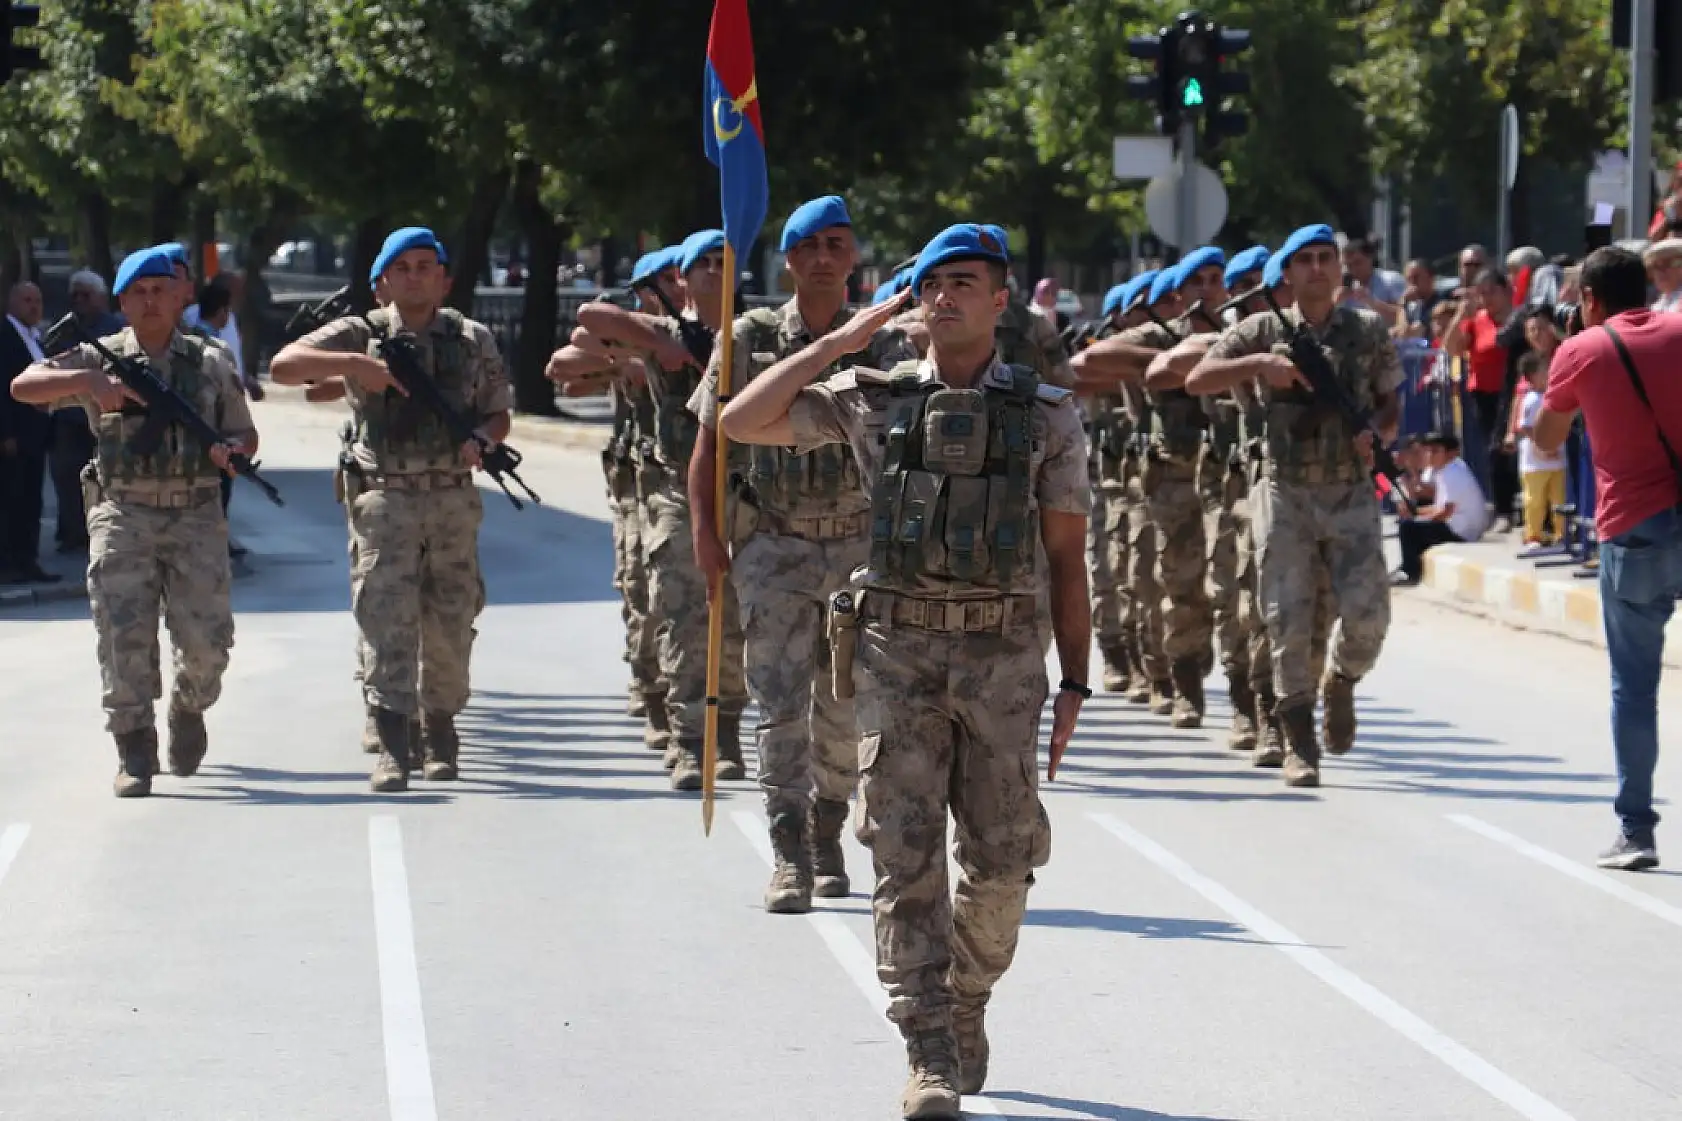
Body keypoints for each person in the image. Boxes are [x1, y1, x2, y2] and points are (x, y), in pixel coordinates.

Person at [722, 223, 1091, 1119]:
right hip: (896, 656)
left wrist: (1075, 680)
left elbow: (1069, 557)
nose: (947, 296)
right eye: (932, 283)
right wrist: (838, 341)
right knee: (904, 855)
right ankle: (926, 1042)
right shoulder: (868, 395)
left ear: (1002, 301)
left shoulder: (1046, 415)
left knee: (1004, 862)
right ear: (913, 302)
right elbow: (739, 419)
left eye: (966, 282)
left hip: (1004, 663)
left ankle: (965, 997)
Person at [688, 196, 916, 912]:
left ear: (853, 257)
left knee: (847, 703)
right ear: (787, 260)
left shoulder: (887, 344)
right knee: (780, 702)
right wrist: (705, 532)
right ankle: (787, 849)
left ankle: (826, 826)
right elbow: (710, 443)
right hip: (774, 542)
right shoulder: (750, 336)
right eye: (808, 245)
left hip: (858, 544)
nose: (822, 256)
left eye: (836, 243)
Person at [269, 226, 513, 791]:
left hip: (451, 495)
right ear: (383, 282)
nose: (414, 275)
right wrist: (354, 365)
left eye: (426, 265)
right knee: (386, 622)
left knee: (451, 622)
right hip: (384, 496)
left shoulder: (472, 337)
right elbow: (286, 365)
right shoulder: (363, 332)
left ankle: (442, 728)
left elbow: (498, 412)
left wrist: (483, 437)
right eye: (402, 268)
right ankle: (394, 746)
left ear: (445, 279)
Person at [9, 247, 257, 796]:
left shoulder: (211, 360)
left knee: (207, 646)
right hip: (123, 512)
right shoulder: (98, 357)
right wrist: (91, 386)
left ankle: (189, 707)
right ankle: (134, 745)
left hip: (195, 513)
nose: (150, 301)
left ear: (179, 296)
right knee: (123, 636)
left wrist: (230, 452)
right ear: (121, 302)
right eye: (137, 293)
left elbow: (245, 434)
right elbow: (24, 385)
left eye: (159, 290)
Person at [1187, 224, 1401, 787]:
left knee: (1368, 615)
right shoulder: (1261, 328)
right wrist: (1260, 367)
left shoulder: (1368, 329)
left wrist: (1375, 435)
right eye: (1304, 260)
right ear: (1288, 272)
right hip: (1284, 490)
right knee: (1286, 618)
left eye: (1326, 258)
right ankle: (1297, 742)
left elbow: (1390, 404)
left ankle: (1342, 683)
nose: (1316, 269)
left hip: (1351, 489)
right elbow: (1197, 379)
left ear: (1341, 268)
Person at [573, 229, 748, 791]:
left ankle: (727, 738)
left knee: (737, 624)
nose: (717, 273)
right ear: (685, 277)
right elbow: (590, 317)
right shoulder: (670, 331)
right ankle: (689, 739)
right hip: (675, 490)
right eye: (705, 265)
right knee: (682, 615)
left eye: (727, 263)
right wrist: (661, 337)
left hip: (747, 494)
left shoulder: (754, 337)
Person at [1533, 245, 1682, 871]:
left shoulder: (1581, 351)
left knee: (1636, 687)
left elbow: (1544, 439)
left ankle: (1637, 830)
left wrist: (1568, 358)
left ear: (1589, 300)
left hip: (1636, 531)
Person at [1, 281, 59, 584]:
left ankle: (28, 560)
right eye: (27, 300)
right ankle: (10, 563)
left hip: (37, 435)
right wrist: (5, 433)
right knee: (12, 500)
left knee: (30, 500)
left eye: (37, 300)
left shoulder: (36, 337)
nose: (34, 306)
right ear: (12, 303)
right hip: (15, 436)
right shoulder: (5, 335)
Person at [1392, 433, 1486, 585]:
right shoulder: (1445, 470)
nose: (1429, 455)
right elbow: (1438, 506)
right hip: (1456, 527)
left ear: (1450, 454)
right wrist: (1417, 513)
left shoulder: (1453, 473)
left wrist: (1419, 519)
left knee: (1408, 529)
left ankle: (1410, 572)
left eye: (1435, 451)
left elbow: (1445, 512)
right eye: (1428, 451)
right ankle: (1413, 566)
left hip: (1461, 533)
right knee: (1412, 523)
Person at [1515, 354, 1566, 546]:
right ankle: (1533, 535)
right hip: (1535, 462)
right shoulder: (1531, 400)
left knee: (1558, 499)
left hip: (1557, 458)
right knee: (1535, 500)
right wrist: (1542, 446)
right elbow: (1526, 426)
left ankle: (1561, 534)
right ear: (1532, 376)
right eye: (1544, 371)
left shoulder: (1551, 396)